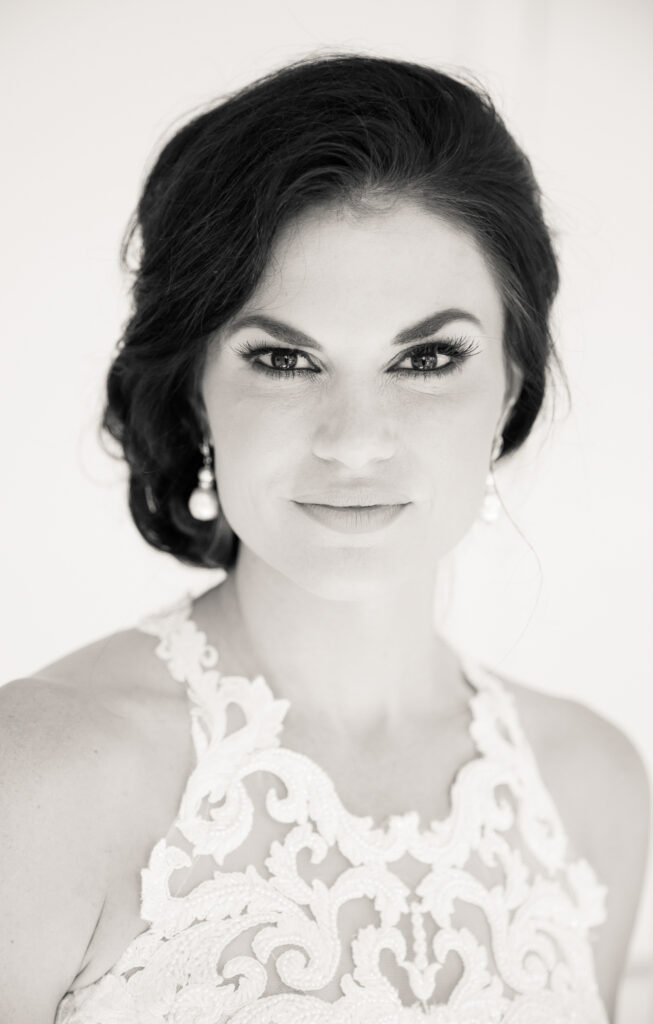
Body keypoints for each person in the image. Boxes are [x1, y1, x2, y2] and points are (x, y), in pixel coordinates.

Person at [1, 53, 649, 1024]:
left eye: (427, 357)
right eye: (283, 357)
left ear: (508, 387)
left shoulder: (590, 786)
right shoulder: (37, 781)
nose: (354, 439)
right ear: (193, 388)